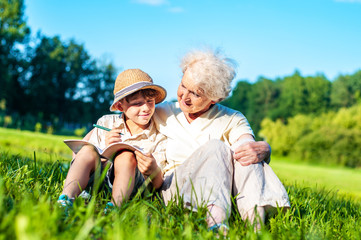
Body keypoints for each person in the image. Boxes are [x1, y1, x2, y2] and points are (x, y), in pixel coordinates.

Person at [152, 48, 290, 231]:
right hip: (175, 189)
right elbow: (127, 118)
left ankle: (255, 226)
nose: (184, 97)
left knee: (246, 151)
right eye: (183, 86)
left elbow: (247, 145)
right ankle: (216, 226)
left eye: (196, 93)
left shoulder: (232, 118)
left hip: (222, 189)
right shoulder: (162, 112)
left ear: (215, 99)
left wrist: (264, 149)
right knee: (217, 147)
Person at [57, 69, 168, 211]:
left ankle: (115, 207)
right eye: (138, 103)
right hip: (98, 181)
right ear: (121, 106)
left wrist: (154, 169)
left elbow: (158, 184)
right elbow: (84, 162)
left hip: (132, 187)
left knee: (126, 156)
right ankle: (66, 198)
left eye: (150, 101)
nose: (146, 107)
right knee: (87, 150)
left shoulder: (157, 135)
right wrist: (106, 150)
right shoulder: (106, 124)